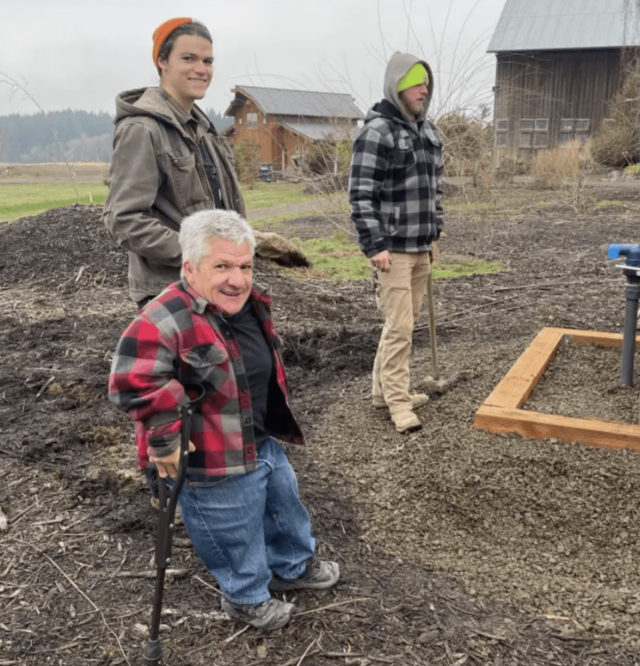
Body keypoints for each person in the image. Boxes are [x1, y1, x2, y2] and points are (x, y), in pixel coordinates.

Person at [108, 209, 340, 631]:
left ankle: (291, 566)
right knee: (234, 531)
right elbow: (133, 381)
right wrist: (165, 440)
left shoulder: (251, 305)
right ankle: (246, 598)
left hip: (259, 439)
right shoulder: (162, 319)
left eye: (245, 266)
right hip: (211, 458)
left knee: (283, 509)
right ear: (190, 268)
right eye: (222, 267)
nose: (237, 279)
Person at [103, 17, 246, 508]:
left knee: (208, 393)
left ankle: (204, 489)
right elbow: (125, 219)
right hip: (169, 290)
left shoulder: (203, 128)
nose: (201, 68)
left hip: (214, 287)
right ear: (161, 62)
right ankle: (166, 497)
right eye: (189, 58)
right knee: (165, 400)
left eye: (208, 60)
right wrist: (196, 256)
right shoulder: (142, 130)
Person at [348, 52, 444, 434]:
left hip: (421, 246)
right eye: (416, 82)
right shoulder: (377, 132)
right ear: (397, 85)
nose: (423, 89)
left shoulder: (428, 131)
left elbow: (435, 192)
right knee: (400, 326)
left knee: (402, 323)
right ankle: (399, 403)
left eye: (426, 83)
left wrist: (434, 233)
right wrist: (374, 245)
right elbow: (361, 196)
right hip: (392, 249)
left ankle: (381, 392)